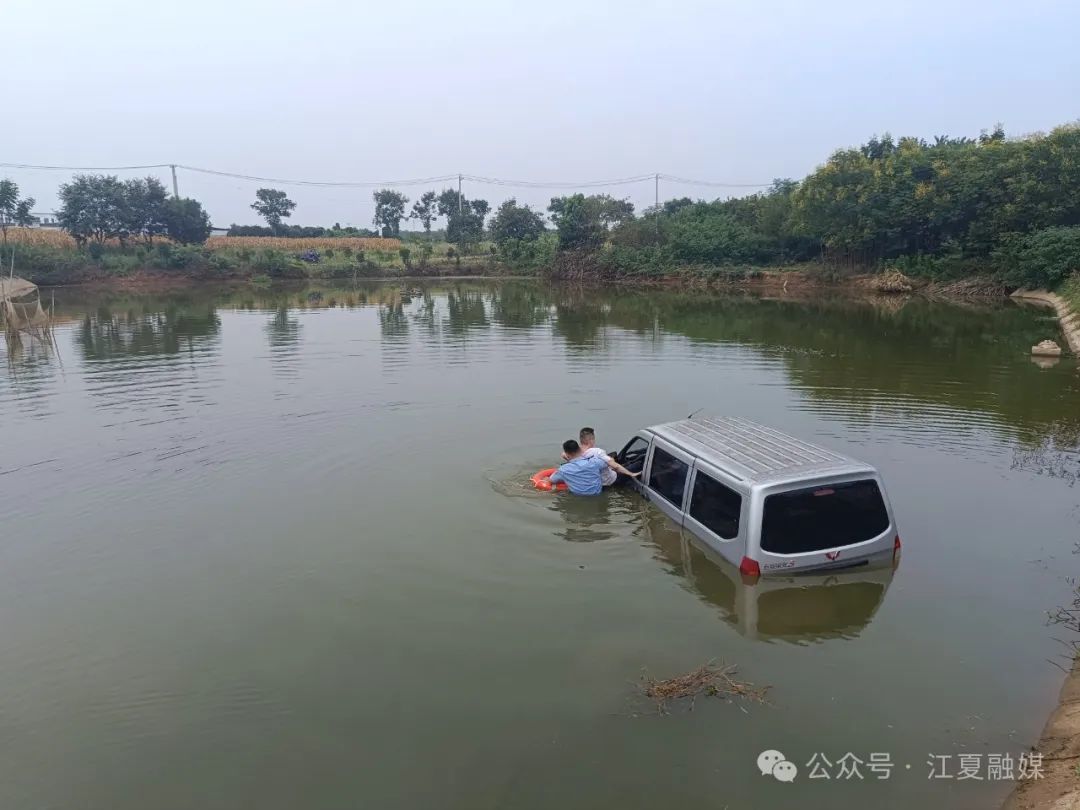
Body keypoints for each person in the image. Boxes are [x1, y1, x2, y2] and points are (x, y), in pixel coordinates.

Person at [548, 439, 639, 496]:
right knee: (635, 465)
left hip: (577, 497)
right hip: (598, 495)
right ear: (579, 448)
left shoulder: (563, 470)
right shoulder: (595, 462)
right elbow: (613, 464)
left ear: (567, 454)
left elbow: (551, 480)